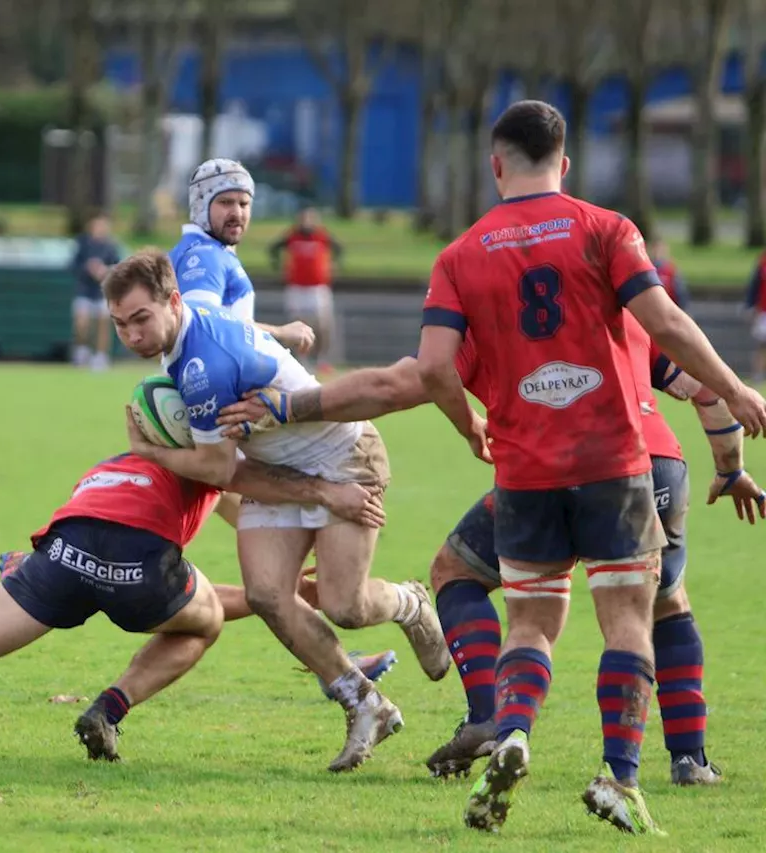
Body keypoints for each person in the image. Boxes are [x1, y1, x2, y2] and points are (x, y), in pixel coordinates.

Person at [216, 316, 765, 788]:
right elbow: (707, 388)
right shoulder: (617, 308)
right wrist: (731, 467)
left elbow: (406, 381)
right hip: (655, 468)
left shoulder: (491, 313)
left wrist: (290, 405)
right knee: (663, 604)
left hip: (548, 474)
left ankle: (491, 716)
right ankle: (686, 760)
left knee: (465, 575)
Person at [417, 100, 765, 834]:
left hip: (524, 469)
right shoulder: (605, 229)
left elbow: (432, 367)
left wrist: (467, 421)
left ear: (495, 164)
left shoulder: (460, 255)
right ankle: (620, 777)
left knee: (532, 623)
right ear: (565, 162)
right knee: (629, 620)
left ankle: (512, 731)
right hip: (613, 460)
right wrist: (734, 386)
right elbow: (663, 321)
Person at [0, 450, 392, 763]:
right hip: (138, 564)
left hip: (60, 553)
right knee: (211, 617)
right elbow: (237, 551)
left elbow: (88, 527)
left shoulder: (117, 463)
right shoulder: (213, 460)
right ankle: (108, 709)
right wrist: (285, 590)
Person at [102, 249, 450, 774]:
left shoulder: (201, 367)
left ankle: (409, 603)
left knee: (345, 606)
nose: (131, 336)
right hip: (281, 472)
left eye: (140, 319)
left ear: (172, 302)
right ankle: (364, 703)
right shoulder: (188, 328)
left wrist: (149, 450)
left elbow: (220, 472)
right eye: (120, 325)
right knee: (267, 594)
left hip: (343, 458)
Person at [170, 159, 315, 355]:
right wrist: (279, 332)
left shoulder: (213, 251)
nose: (237, 213)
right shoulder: (204, 255)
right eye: (225, 202)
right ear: (201, 206)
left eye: (244, 203)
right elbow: (203, 328)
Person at [269, 206, 344, 372]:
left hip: (318, 288)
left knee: (323, 324)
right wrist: (278, 266)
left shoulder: (322, 236)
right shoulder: (292, 237)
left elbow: (338, 248)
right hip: (296, 288)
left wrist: (334, 266)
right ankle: (300, 359)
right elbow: (274, 249)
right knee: (298, 324)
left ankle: (322, 359)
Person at [70, 212, 122, 371]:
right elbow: (73, 266)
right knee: (81, 323)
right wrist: (88, 268)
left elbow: (118, 268)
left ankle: (100, 356)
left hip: (103, 292)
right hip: (84, 291)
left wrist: (104, 271)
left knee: (103, 322)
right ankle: (82, 350)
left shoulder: (111, 247)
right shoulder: (82, 244)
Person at [649, 238, 691, 311]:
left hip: (669, 308)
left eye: (660, 250)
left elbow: (680, 292)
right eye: (655, 249)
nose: (657, 253)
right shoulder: (647, 269)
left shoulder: (671, 270)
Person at [747, 251, 766, 384]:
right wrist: (751, 306)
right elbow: (754, 285)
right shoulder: (763, 261)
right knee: (762, 345)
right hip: (764, 310)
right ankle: (757, 375)